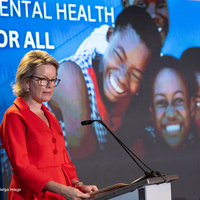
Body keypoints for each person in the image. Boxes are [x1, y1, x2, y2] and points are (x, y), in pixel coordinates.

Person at [49, 6, 162, 158]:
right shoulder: (71, 75)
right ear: (109, 35)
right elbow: (87, 166)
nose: (122, 78)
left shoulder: (129, 102)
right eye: (119, 56)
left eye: (135, 75)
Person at [0, 50, 98, 200]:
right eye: (43, 79)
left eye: (53, 80)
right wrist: (63, 190)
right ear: (26, 82)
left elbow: (64, 162)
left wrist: (77, 185)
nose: (50, 85)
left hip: (59, 196)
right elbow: (23, 169)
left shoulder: (51, 116)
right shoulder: (14, 116)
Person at [143, 55, 191, 150]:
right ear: (152, 111)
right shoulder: (140, 150)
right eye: (161, 102)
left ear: (191, 106)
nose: (171, 114)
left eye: (178, 100)